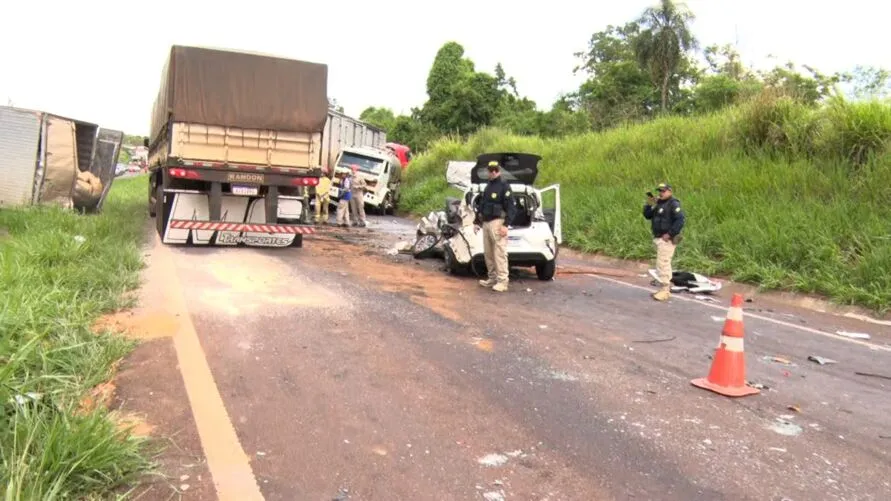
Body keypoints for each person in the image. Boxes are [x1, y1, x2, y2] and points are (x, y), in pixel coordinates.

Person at [474, 160, 517, 292]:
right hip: (486, 223)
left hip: (498, 223)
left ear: (498, 171)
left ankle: (503, 281)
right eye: (490, 170)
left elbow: (511, 207)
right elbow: (482, 206)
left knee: (499, 253)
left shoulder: (504, 186)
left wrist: (506, 225)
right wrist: (477, 221)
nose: (492, 172)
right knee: (489, 254)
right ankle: (492, 278)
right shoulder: (488, 186)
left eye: (494, 170)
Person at [643, 182, 686, 301]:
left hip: (667, 239)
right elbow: (647, 216)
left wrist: (670, 233)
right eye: (660, 191)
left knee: (663, 263)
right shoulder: (659, 204)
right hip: (659, 238)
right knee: (662, 263)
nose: (661, 193)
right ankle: (664, 288)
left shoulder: (673, 204)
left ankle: (665, 290)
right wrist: (649, 204)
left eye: (663, 191)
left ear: (670, 191)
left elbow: (680, 220)